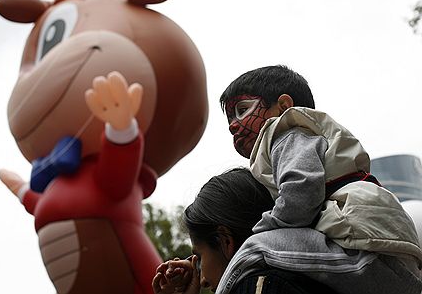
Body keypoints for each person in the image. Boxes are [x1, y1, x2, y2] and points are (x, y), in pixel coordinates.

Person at [217, 65, 422, 294]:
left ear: (284, 106)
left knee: (254, 248)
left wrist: (266, 228)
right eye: (230, 120)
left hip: (361, 248)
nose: (234, 126)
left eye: (243, 110)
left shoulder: (287, 134)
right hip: (384, 252)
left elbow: (301, 191)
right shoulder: (306, 138)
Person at [152, 168, 338, 294]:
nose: (203, 281)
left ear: (225, 240)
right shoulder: (297, 280)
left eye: (200, 258)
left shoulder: (257, 287)